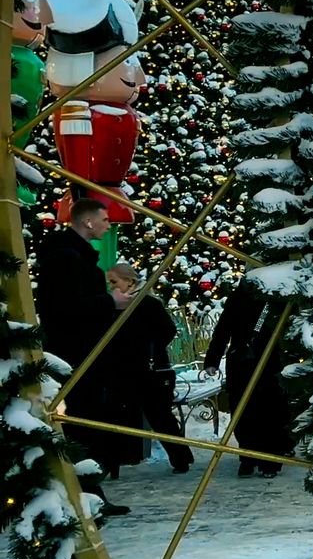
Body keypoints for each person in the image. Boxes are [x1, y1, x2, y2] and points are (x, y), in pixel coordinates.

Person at [35, 198, 131, 514]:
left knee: (86, 424)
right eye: (104, 219)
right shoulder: (66, 258)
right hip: (76, 354)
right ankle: (86, 494)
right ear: (87, 221)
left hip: (82, 352)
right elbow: (66, 309)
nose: (108, 225)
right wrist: (110, 302)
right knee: (82, 424)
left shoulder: (71, 256)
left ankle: (91, 494)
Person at [103, 261, 191, 474]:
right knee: (117, 415)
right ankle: (114, 462)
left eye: (114, 282)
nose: (111, 287)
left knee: (159, 416)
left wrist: (146, 347)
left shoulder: (147, 303)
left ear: (129, 282)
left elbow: (167, 330)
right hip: (123, 369)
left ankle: (180, 457)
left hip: (151, 370)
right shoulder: (113, 305)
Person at [203, 285, 290, 478]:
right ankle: (250, 457)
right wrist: (213, 358)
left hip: (263, 361)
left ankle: (265, 459)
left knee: (266, 411)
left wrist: (213, 358)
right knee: (248, 411)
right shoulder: (255, 293)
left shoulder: (280, 291)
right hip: (251, 360)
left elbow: (223, 328)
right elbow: (224, 327)